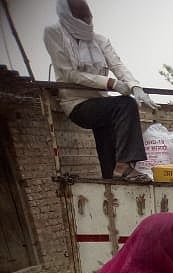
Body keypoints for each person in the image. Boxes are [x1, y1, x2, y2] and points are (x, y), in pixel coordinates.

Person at [44, 0, 159, 181]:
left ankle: (113, 179)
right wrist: (111, 83)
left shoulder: (99, 40)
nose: (86, 22)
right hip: (78, 105)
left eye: (88, 17)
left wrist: (135, 86)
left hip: (101, 105)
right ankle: (123, 165)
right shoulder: (54, 34)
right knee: (125, 104)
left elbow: (118, 65)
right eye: (81, 18)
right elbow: (70, 74)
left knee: (108, 143)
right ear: (67, 18)